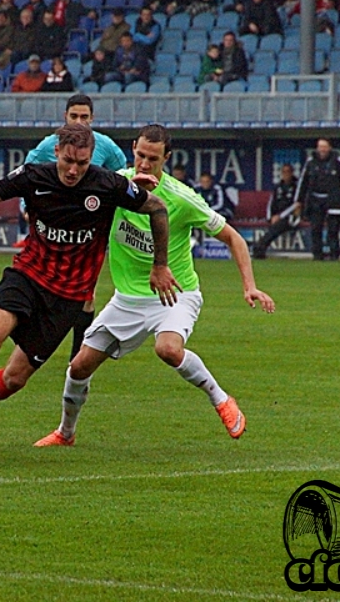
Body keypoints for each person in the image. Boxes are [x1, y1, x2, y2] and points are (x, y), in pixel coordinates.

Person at [0, 124, 176, 455]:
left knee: (13, 382)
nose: (73, 170)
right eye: (68, 161)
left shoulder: (107, 184)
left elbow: (157, 208)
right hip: (28, 276)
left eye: (82, 163)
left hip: (67, 298)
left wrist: (160, 265)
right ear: (56, 151)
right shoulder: (33, 176)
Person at [34, 124, 275, 448]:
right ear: (133, 149)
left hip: (174, 294)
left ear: (166, 158)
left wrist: (250, 286)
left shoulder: (181, 198)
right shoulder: (116, 183)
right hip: (128, 299)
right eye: (140, 155)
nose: (145, 164)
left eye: (153, 158)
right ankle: (65, 433)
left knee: (168, 349)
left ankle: (221, 399)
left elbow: (232, 237)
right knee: (78, 366)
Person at [23, 94, 127, 357]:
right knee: (44, 285)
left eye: (84, 117)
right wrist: (27, 209)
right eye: (74, 116)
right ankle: (33, 341)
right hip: (54, 230)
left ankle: (77, 355)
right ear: (65, 117)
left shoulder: (105, 146)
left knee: (85, 295)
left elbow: (122, 175)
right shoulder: (49, 145)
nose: (79, 122)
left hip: (88, 234)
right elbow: (26, 175)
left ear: (92, 118)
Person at [293, 138, 340, 261]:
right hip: (316, 199)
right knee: (316, 228)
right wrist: (298, 200)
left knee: (333, 229)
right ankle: (317, 255)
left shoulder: (337, 160)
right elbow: (303, 182)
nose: (322, 150)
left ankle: (334, 254)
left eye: (324, 147)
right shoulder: (311, 161)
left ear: (330, 148)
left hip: (333, 199)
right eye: (320, 147)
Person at [251, 163, 300, 259]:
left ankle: (259, 247)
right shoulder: (278, 187)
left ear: (292, 173)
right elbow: (271, 203)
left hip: (291, 217)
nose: (286, 174)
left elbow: (297, 204)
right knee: (275, 226)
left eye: (288, 172)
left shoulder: (296, 187)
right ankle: (259, 248)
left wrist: (280, 216)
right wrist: (270, 217)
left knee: (278, 225)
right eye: (284, 172)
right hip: (276, 217)